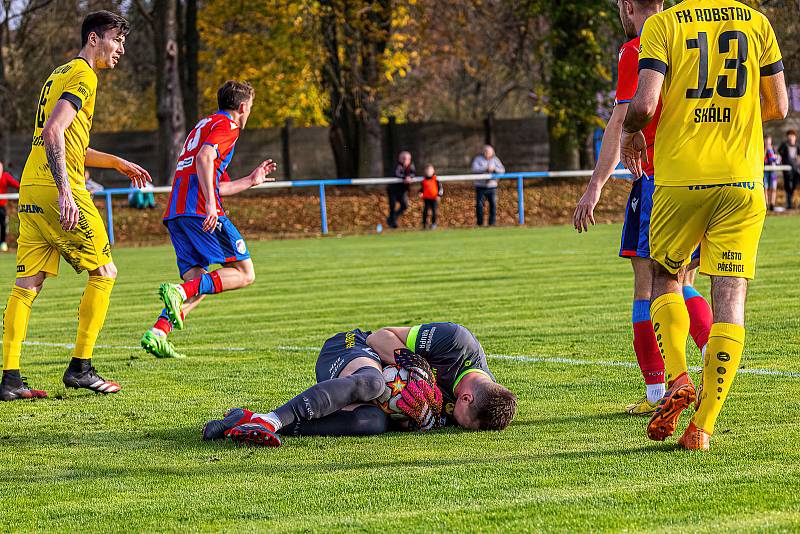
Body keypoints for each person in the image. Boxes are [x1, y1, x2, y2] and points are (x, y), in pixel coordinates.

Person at [620, 0, 787, 450]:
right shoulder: (757, 23)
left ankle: (677, 377)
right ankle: (703, 427)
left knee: (664, 276)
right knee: (729, 294)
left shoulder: (664, 24)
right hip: (741, 179)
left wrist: (629, 133)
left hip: (681, 178)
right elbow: (780, 106)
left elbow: (645, 103)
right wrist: (731, 115)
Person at [0, 11, 152, 401]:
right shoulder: (85, 75)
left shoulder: (58, 74)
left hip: (31, 190)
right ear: (94, 39)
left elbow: (66, 138)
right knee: (105, 271)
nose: (121, 50)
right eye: (117, 41)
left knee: (26, 285)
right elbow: (54, 132)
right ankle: (81, 367)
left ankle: (10, 379)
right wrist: (67, 191)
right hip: (56, 189)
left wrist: (116, 162)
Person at [573, 0, 712, 416]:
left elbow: (622, 120)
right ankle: (714, 371)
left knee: (648, 289)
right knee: (683, 283)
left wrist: (595, 185)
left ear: (628, 6)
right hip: (703, 178)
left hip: (657, 180)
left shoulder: (637, 47)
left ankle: (658, 392)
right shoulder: (690, 39)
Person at [202, 322, 518, 447]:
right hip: (355, 347)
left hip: (374, 395)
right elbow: (381, 336)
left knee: (372, 422)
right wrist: (410, 361)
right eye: (465, 424)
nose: (458, 427)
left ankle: (242, 421)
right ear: (464, 399)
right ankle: (268, 420)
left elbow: (405, 413)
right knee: (371, 381)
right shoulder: (457, 342)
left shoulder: (478, 401)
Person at [140, 81, 277, 359]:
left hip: (178, 214)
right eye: (250, 107)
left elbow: (215, 181)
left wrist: (251, 181)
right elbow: (205, 159)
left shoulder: (204, 125)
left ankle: (159, 332)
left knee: (202, 282)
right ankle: (177, 290)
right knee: (244, 272)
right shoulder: (229, 126)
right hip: (200, 210)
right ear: (242, 107)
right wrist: (212, 207)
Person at [472, 144, 504, 226]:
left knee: (493, 205)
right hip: (480, 187)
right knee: (479, 206)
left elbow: (502, 170)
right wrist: (485, 169)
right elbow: (474, 169)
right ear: (483, 152)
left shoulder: (495, 160)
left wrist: (494, 169)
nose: (488, 154)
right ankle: (480, 224)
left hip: (492, 187)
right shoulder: (478, 159)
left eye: (490, 152)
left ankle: (492, 224)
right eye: (486, 152)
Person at [387, 151, 414, 228]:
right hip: (393, 189)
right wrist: (405, 177)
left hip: (402, 190)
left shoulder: (411, 166)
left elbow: (413, 174)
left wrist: (409, 177)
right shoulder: (396, 165)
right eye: (403, 158)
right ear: (400, 159)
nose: (405, 160)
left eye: (407, 159)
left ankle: (391, 219)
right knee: (392, 205)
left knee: (405, 205)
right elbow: (397, 174)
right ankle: (393, 223)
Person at [0, 161, 21, 252]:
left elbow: (16, 184)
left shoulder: (5, 176)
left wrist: (23, 189)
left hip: (1, 206)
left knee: (3, 224)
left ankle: (3, 243)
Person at [778, 129, 799, 209]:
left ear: (795, 137)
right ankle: (789, 204)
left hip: (795, 170)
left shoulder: (797, 147)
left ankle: (791, 202)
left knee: (793, 186)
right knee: (788, 186)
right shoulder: (784, 145)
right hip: (787, 170)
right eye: (789, 136)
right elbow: (779, 154)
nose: (791, 138)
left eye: (792, 136)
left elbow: (798, 157)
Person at [420, 164, 442, 229]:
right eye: (427, 170)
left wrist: (439, 195)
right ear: (425, 171)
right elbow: (422, 189)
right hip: (426, 198)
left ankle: (434, 224)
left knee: (434, 211)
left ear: (433, 171)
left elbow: (440, 188)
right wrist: (420, 192)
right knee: (425, 211)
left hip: (434, 198)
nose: (428, 171)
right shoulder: (423, 180)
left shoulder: (436, 179)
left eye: (430, 170)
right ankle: (424, 224)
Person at [763, 136, 780, 211]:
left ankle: (772, 204)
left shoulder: (773, 149)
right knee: (765, 188)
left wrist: (776, 157)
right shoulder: (762, 149)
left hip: (773, 171)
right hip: (765, 171)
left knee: (773, 188)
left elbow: (777, 158)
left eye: (769, 141)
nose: (768, 143)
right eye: (766, 141)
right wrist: (766, 150)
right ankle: (766, 204)